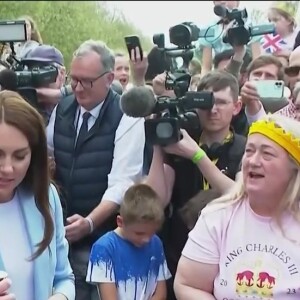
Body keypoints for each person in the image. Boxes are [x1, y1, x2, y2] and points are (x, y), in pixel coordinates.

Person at [47, 39, 145, 300]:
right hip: (64, 238)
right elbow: (47, 157)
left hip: (107, 241)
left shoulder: (127, 116)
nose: (77, 88)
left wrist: (90, 222)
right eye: (73, 79)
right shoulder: (63, 109)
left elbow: (123, 183)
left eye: (86, 81)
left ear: (109, 78)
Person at [174, 113, 300, 299]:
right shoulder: (217, 217)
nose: (253, 161)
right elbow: (188, 285)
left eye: (267, 153)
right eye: (249, 151)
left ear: (294, 168)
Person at [0, 90, 74, 300]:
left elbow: (64, 276)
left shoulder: (46, 196)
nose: (7, 168)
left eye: (19, 156)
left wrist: (61, 297)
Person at [86, 184, 171, 300]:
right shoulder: (104, 248)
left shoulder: (156, 243)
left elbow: (160, 294)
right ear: (120, 222)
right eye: (139, 233)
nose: (146, 239)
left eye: (151, 233)